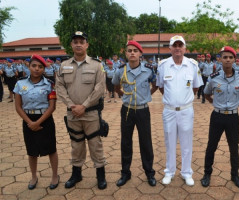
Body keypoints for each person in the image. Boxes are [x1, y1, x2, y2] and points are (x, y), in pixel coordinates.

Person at [56, 31, 107, 190]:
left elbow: (100, 88)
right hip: (72, 113)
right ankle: (76, 174)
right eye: (75, 41)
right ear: (71, 45)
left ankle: (101, 175)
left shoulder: (96, 65)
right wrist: (72, 106)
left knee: (95, 144)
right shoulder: (64, 66)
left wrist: (84, 106)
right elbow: (60, 87)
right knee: (76, 145)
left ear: (87, 45)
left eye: (81, 41)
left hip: (91, 113)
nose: (78, 44)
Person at [156, 35, 203, 186]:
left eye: (180, 45)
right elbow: (161, 87)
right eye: (174, 45)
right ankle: (169, 172)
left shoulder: (193, 65)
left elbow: (196, 87)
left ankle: (186, 172)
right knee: (169, 142)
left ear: (184, 48)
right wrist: (173, 99)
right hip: (169, 110)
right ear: (170, 48)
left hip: (186, 110)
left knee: (186, 142)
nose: (177, 48)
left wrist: (183, 99)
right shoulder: (163, 65)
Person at [200, 46, 239, 188]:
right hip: (217, 116)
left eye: (230, 57)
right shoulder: (213, 78)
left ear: (234, 60)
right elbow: (207, 94)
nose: (227, 60)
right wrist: (215, 103)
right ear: (220, 59)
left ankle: (235, 175)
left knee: (234, 147)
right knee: (211, 146)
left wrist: (236, 103)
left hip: (233, 117)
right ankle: (207, 173)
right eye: (224, 57)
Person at [112, 41, 157, 187]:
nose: (132, 53)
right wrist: (122, 95)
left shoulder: (149, 70)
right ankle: (125, 173)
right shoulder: (120, 70)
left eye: (135, 51)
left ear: (140, 54)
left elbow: (155, 84)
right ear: (125, 53)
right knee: (126, 142)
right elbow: (116, 85)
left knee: (146, 142)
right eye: (129, 50)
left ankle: (149, 173)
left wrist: (146, 96)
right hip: (127, 110)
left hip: (143, 110)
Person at [13, 54, 59, 190]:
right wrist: (30, 123)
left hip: (45, 119)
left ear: (44, 69)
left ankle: (55, 175)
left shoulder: (49, 85)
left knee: (51, 149)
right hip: (28, 120)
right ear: (29, 66)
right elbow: (18, 107)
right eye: (34, 66)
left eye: (40, 67)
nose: (37, 69)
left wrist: (38, 122)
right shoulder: (20, 83)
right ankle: (34, 176)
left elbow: (52, 107)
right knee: (31, 150)